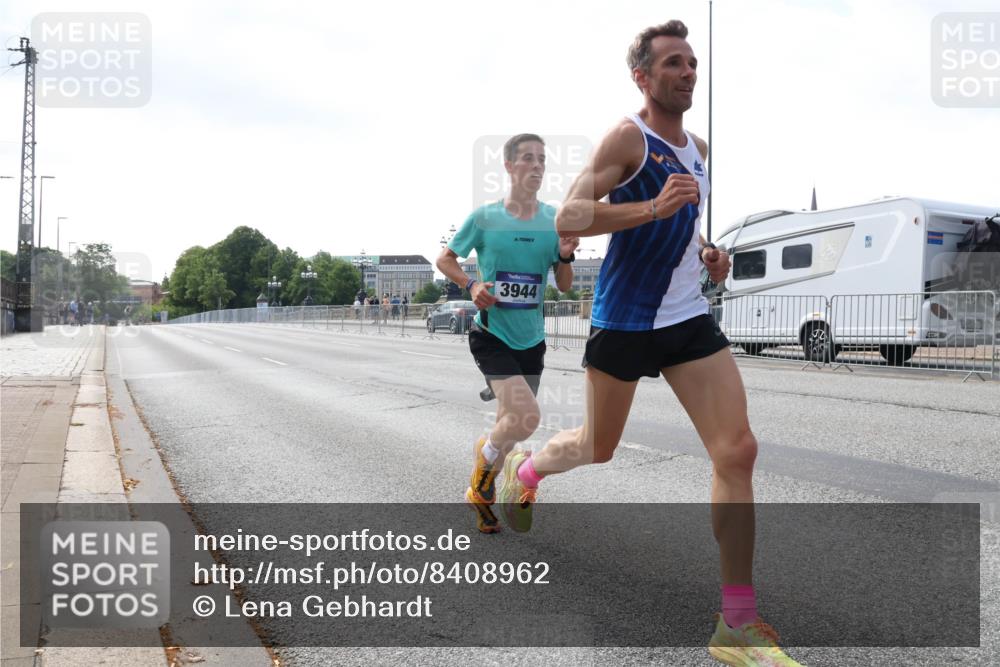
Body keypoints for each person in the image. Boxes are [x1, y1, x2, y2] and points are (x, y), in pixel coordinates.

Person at [494, 21, 802, 666]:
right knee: (595, 448)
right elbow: (569, 217)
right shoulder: (627, 138)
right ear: (643, 76)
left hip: (687, 318)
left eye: (692, 63)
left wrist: (706, 255)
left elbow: (684, 223)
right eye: (672, 63)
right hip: (626, 319)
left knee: (737, 450)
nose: (688, 72)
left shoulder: (700, 148)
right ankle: (527, 472)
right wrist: (651, 210)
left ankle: (736, 625)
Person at [436, 133, 579, 533]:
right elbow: (445, 258)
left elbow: (565, 283)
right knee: (526, 418)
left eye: (542, 159)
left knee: (509, 425)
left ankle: (484, 490)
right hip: (492, 334)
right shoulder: (485, 218)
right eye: (528, 159)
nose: (537, 166)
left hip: (531, 338)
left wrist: (566, 254)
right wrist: (471, 285)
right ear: (509, 166)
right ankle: (481, 480)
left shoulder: (554, 218)